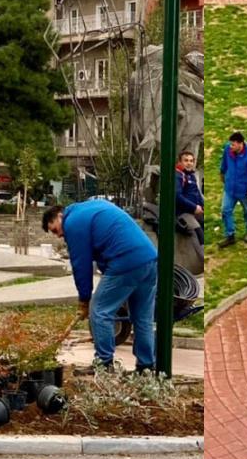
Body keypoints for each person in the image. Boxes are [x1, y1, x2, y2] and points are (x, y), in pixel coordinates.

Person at [42, 201, 158, 373]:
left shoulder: (72, 222)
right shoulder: (90, 209)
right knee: (142, 318)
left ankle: (104, 364)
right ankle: (145, 367)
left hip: (125, 261)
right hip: (149, 259)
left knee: (99, 312)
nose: (59, 235)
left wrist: (84, 299)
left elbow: (81, 265)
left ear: (60, 216)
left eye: (55, 230)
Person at [219, 131, 247, 247]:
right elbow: (224, 161)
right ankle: (230, 235)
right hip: (230, 188)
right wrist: (222, 172)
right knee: (225, 210)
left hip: (244, 189)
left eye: (233, 144)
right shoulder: (228, 149)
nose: (230, 146)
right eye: (230, 144)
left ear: (240, 144)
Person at [175, 150, 205, 246]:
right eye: (186, 160)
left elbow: (197, 194)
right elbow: (177, 196)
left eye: (191, 161)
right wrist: (194, 207)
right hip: (183, 213)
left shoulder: (191, 176)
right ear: (180, 162)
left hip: (196, 212)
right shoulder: (178, 175)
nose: (189, 163)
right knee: (199, 235)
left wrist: (202, 206)